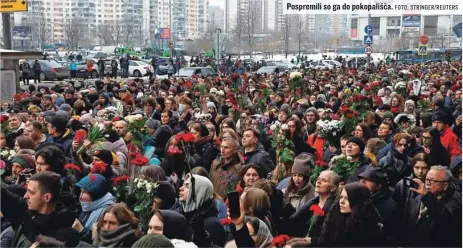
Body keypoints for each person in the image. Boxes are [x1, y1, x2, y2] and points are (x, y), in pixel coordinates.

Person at [1, 171, 79, 248]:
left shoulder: (62, 234)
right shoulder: (25, 213)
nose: (25, 196)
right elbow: (6, 196)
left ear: (47, 197)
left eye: (31, 192)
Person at [404, 166, 462, 247]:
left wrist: (427, 196)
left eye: (433, 181)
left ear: (445, 185)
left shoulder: (454, 203)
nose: (427, 183)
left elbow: (444, 219)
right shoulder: (418, 198)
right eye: (427, 179)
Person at [318, 182, 384, 247]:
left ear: (358, 201)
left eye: (347, 198)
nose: (341, 201)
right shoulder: (334, 215)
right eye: (341, 197)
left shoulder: (370, 226)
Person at [288, 170, 340, 241]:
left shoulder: (334, 209)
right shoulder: (312, 204)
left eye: (324, 180)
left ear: (333, 188)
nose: (318, 182)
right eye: (318, 179)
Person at [179, 173, 226, 247]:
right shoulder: (184, 216)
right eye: (183, 185)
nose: (181, 188)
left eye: (187, 186)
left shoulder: (212, 224)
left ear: (200, 192)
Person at [358, 167, 398, 245]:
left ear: (378, 185)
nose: (362, 181)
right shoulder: (357, 199)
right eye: (361, 178)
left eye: (367, 179)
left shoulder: (390, 206)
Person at [73, 173, 116, 243]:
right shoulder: (88, 206)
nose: (80, 197)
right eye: (81, 191)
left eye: (85, 192)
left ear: (96, 194)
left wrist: (81, 231)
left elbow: (103, 243)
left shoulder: (108, 213)